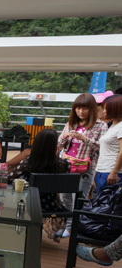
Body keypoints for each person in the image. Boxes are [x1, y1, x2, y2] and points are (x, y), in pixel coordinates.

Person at [57, 93, 107, 237]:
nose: (81, 112)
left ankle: (74, 228)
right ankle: (66, 226)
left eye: (85, 108)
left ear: (92, 109)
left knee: (80, 199)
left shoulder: (101, 125)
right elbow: (59, 145)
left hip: (86, 168)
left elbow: (102, 147)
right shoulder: (71, 124)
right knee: (65, 197)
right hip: (67, 165)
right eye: (78, 108)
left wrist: (84, 138)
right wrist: (64, 137)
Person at [8, 129, 70, 241]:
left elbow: (10, 178)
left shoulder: (29, 162)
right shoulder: (64, 164)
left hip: (29, 203)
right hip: (52, 204)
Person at [92, 94, 122, 193]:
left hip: (112, 172)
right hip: (103, 170)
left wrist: (115, 172)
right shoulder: (113, 126)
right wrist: (97, 170)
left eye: (105, 108)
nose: (104, 111)